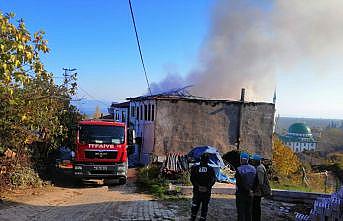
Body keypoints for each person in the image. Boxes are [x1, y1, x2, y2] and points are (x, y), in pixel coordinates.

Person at [190, 153, 216, 221]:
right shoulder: (211, 169)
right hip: (206, 191)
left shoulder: (195, 168)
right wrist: (207, 187)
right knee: (205, 205)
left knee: (195, 204)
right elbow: (213, 180)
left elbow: (192, 179)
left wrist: (198, 186)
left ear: (201, 159)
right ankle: (202, 218)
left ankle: (193, 217)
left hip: (197, 191)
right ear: (208, 160)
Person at [235, 152, 256, 221]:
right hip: (250, 194)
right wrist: (252, 190)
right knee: (248, 212)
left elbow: (239, 183)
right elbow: (256, 182)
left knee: (241, 212)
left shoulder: (239, 169)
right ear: (248, 160)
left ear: (241, 160)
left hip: (241, 194)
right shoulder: (253, 169)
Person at [251, 154, 269, 221]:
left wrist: (255, 190)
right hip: (258, 191)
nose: (252, 161)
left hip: (258, 192)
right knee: (256, 206)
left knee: (256, 206)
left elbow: (260, 182)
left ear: (256, 161)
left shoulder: (259, 169)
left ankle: (256, 219)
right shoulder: (260, 167)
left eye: (253, 160)